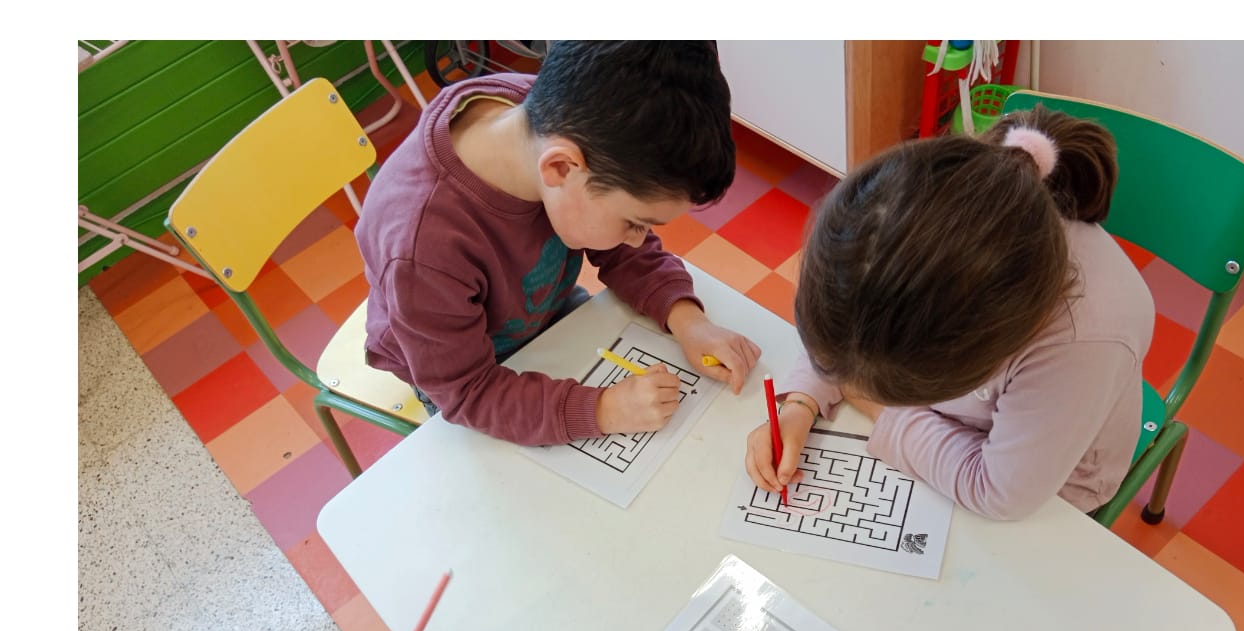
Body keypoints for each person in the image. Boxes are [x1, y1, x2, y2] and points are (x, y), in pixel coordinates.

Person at [747, 107, 1153, 520]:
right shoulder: (903, 216)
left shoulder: (1085, 338)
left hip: (1048, 489)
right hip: (953, 431)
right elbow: (851, 324)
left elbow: (999, 492)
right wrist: (801, 402)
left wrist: (868, 402)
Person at [358, 42, 761, 443]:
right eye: (635, 222)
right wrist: (603, 410)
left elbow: (624, 250)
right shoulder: (423, 248)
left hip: (543, 313)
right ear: (560, 168)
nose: (638, 239)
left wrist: (688, 321)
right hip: (457, 372)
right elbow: (468, 393)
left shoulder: (559, 121)